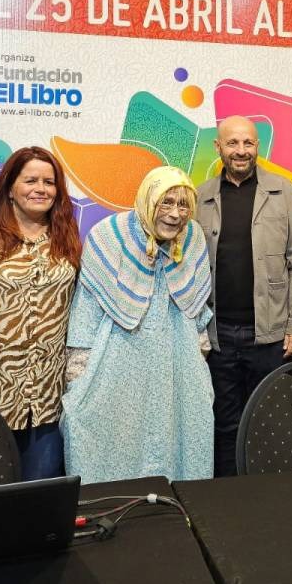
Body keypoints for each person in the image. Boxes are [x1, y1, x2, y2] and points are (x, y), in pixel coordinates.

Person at [60, 166, 214, 483]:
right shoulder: (107, 236)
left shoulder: (194, 236)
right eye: (166, 203)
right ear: (147, 200)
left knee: (181, 437)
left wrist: (200, 355)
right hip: (117, 361)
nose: (175, 214)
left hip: (177, 363)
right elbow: (87, 308)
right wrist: (78, 375)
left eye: (183, 204)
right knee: (114, 441)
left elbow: (197, 306)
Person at [196, 115, 292, 477]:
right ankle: (229, 498)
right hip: (218, 336)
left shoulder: (283, 190)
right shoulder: (201, 195)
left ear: (258, 146)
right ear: (219, 147)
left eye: (248, 143)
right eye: (233, 144)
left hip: (272, 334)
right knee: (224, 424)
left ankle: (269, 498)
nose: (241, 151)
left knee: (272, 421)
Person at [0, 147, 81, 481]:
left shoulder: (66, 238)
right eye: (30, 180)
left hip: (48, 396)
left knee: (40, 501)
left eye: (49, 181)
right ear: (10, 187)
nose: (40, 188)